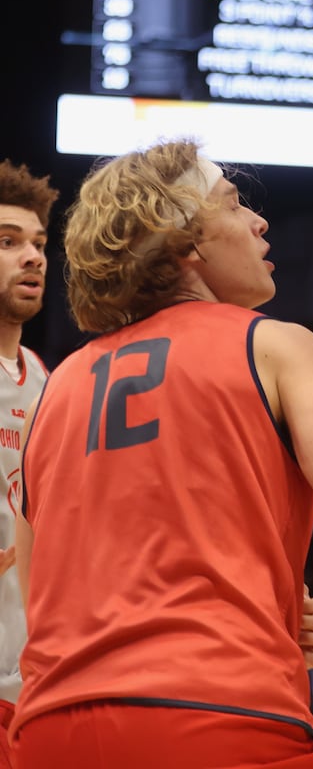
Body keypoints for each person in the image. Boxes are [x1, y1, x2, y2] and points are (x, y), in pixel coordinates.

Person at [13, 141, 313, 769]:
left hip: (50, 729)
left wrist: (269, 608)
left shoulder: (56, 386)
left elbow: (42, 596)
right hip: (214, 715)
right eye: (234, 204)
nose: (259, 222)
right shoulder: (278, 347)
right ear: (186, 242)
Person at [0, 161, 55, 769]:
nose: (33, 257)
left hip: (27, 682)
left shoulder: (47, 380)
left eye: (38, 244)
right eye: (8, 243)